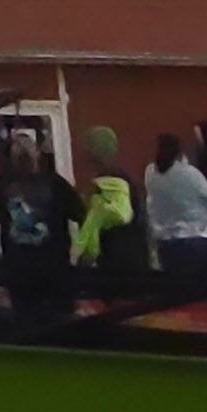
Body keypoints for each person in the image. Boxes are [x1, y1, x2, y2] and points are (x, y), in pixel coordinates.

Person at [0, 135, 76, 325]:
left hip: (29, 269)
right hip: (46, 269)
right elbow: (81, 214)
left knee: (30, 320)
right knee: (55, 321)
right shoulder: (54, 184)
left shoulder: (2, 184)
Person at [143, 132, 207, 293]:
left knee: (175, 290)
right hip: (195, 238)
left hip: (165, 240)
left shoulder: (150, 173)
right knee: (200, 290)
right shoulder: (189, 173)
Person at [70, 125, 144, 296]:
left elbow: (95, 224)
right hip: (132, 258)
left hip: (115, 261)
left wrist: (85, 257)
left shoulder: (104, 183)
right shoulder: (126, 179)